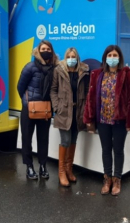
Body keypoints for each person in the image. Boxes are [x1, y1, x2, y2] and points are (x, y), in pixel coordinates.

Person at [83, 45, 130, 196]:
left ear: (119, 58)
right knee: (106, 150)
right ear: (105, 58)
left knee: (118, 151)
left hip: (120, 121)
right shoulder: (97, 74)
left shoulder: (126, 75)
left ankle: (117, 179)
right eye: (110, 55)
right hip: (102, 120)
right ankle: (107, 179)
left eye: (115, 55)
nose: (112, 58)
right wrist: (89, 118)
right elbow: (90, 97)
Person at [17, 40, 59, 180]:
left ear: (51, 51)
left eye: (48, 48)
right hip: (29, 109)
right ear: (38, 51)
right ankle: (29, 166)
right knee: (27, 139)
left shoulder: (55, 68)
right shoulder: (30, 67)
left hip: (46, 110)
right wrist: (27, 103)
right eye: (43, 48)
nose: (45, 51)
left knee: (43, 139)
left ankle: (43, 166)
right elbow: (20, 87)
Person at [50, 47, 90, 187]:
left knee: (73, 140)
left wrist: (85, 109)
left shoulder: (84, 71)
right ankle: (61, 172)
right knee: (65, 140)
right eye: (69, 57)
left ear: (77, 58)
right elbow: (53, 90)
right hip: (63, 112)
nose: (71, 59)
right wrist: (56, 107)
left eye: (73, 56)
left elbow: (86, 91)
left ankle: (69, 169)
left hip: (77, 113)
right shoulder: (58, 71)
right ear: (65, 58)